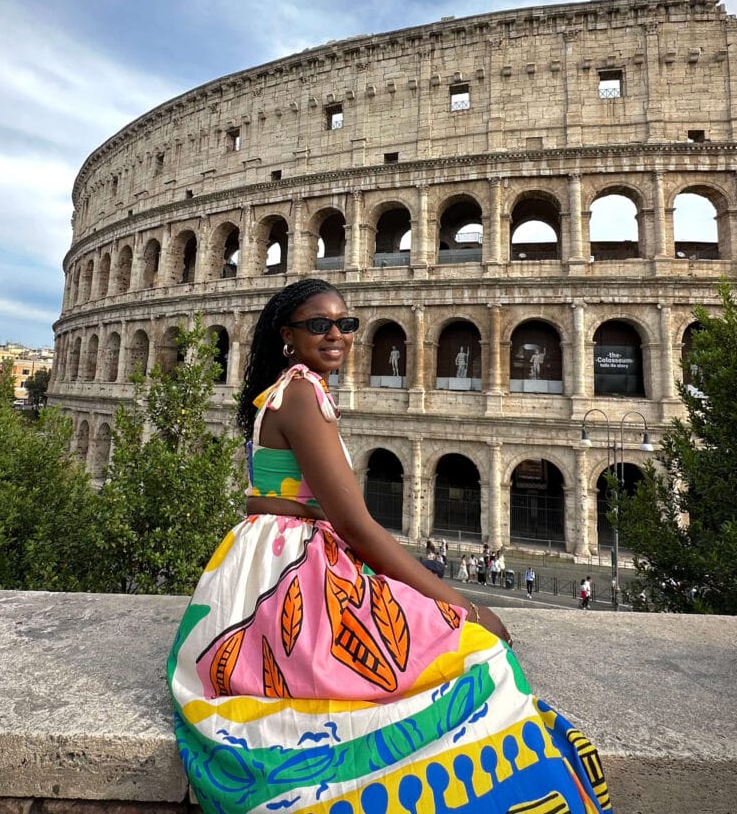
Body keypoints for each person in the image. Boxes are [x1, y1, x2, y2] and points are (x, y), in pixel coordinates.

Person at [168, 279, 612, 813]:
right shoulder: (304, 394)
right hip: (290, 575)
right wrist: (461, 604)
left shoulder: (288, 389)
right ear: (288, 335)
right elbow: (356, 526)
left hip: (267, 566)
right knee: (480, 656)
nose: (337, 334)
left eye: (345, 324)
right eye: (319, 325)